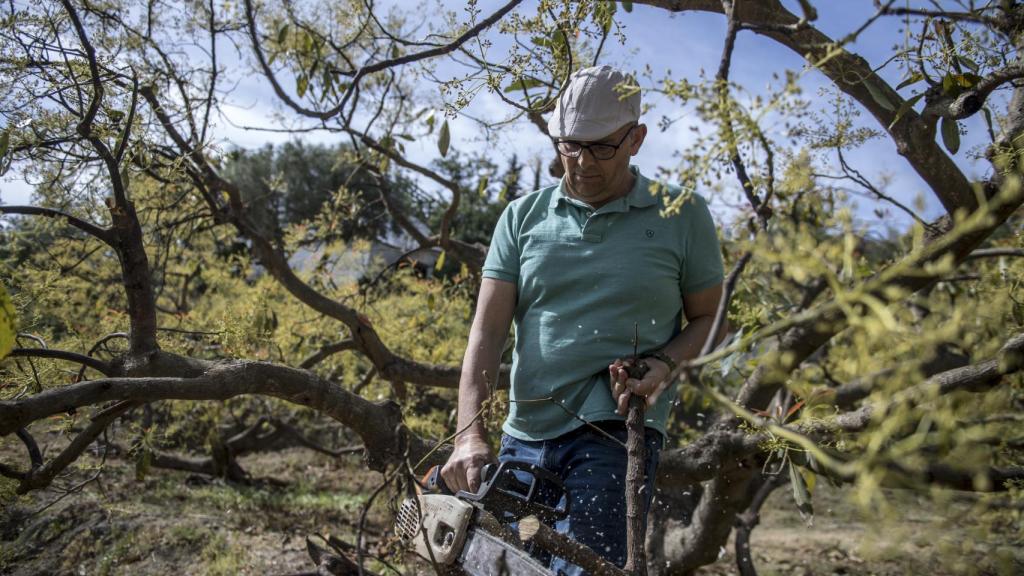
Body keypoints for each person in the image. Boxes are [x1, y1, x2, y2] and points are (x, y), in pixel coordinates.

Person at [441, 65, 726, 575]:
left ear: (635, 139)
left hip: (615, 435)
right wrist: (469, 434)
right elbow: (486, 334)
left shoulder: (682, 215)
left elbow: (711, 319)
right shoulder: (522, 217)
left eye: (601, 147)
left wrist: (665, 362)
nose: (582, 162)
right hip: (523, 435)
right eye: (571, 145)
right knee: (500, 567)